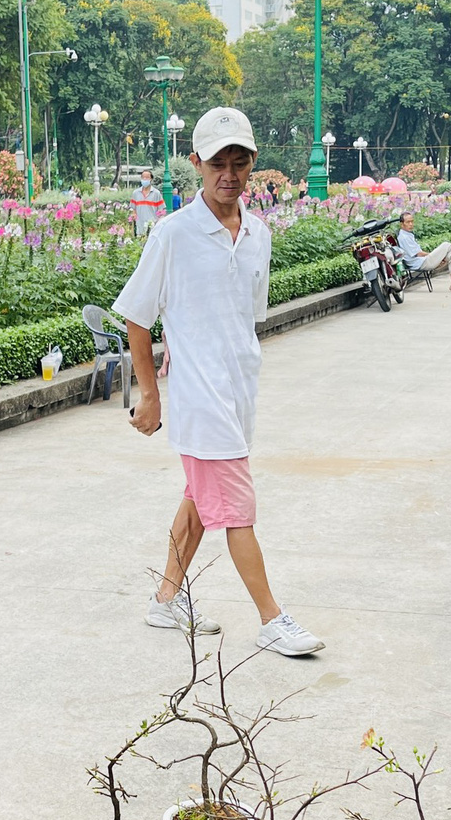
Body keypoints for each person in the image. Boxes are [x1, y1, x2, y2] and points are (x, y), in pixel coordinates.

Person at [117, 107, 324, 657]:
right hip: (198, 398)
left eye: (239, 162)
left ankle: (166, 601)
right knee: (235, 510)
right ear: (197, 165)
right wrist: (152, 394)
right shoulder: (172, 234)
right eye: (217, 163)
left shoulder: (258, 234)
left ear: (253, 164)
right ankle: (272, 618)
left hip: (238, 393)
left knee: (199, 501)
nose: (228, 174)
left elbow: (244, 320)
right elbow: (138, 316)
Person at [394, 211, 451, 292]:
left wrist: (437, 257)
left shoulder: (408, 234)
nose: (411, 224)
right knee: (446, 245)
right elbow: (418, 254)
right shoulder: (404, 237)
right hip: (421, 263)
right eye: (408, 222)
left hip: (423, 261)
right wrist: (433, 256)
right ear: (402, 224)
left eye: (412, 221)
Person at [132, 168, 166, 235]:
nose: (145, 179)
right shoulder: (136, 193)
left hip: (153, 227)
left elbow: (161, 211)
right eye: (143, 177)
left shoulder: (156, 193)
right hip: (140, 227)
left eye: (147, 177)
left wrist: (159, 222)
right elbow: (133, 210)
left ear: (151, 179)